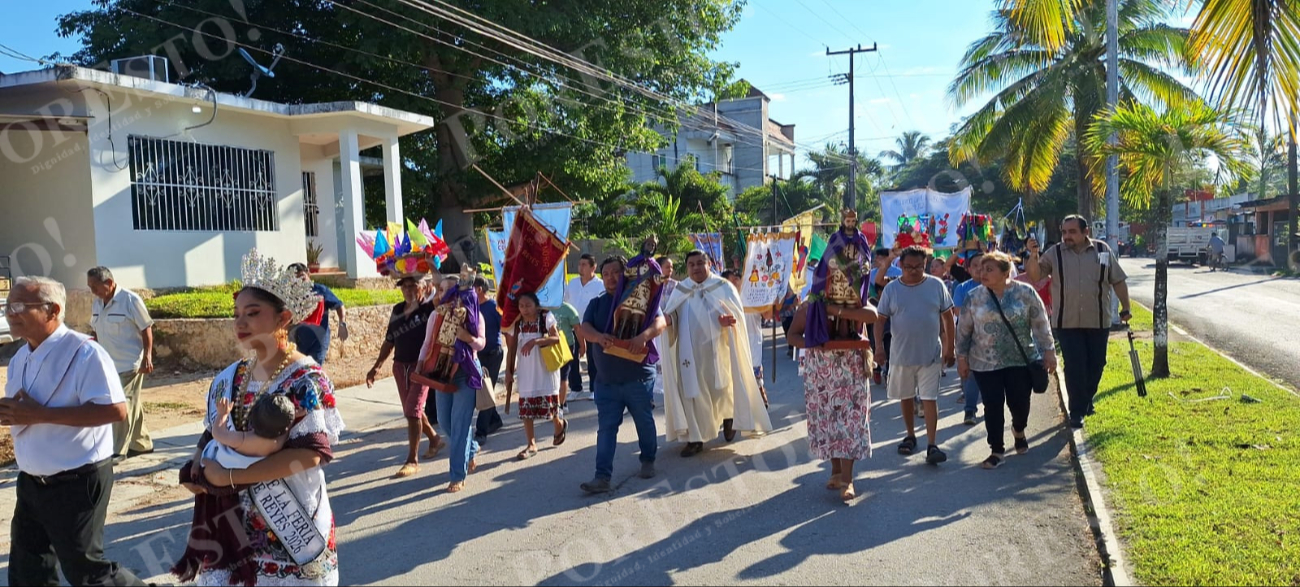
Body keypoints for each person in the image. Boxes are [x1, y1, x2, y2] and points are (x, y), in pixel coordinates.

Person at [171, 249, 344, 586]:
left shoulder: (305, 378)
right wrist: (197, 467)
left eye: (252, 313)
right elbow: (212, 433)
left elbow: (310, 453)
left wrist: (231, 477)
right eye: (236, 313)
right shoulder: (232, 376)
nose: (240, 322)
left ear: (283, 318)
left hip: (289, 524)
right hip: (234, 525)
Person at [1, 276, 146, 587]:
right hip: (31, 483)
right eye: (7, 306)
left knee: (86, 572)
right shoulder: (20, 358)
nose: (10, 313)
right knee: (28, 572)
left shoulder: (85, 354)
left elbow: (115, 410)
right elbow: (23, 411)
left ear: (52, 310)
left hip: (76, 482)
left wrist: (41, 415)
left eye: (18, 306)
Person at [662, 251, 773, 457]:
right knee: (693, 396)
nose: (695, 267)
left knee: (722, 391)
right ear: (687, 268)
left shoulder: (723, 287)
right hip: (689, 355)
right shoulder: (682, 289)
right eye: (691, 264)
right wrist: (668, 322)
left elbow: (736, 315)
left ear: (709, 264)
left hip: (719, 351)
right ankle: (696, 439)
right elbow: (673, 316)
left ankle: (729, 417)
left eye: (700, 263)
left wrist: (727, 322)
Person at [1026, 215, 1131, 428]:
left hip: (1098, 320)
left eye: (1072, 232)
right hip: (1067, 322)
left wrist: (1126, 307)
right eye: (1064, 232)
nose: (1067, 236)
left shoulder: (1102, 251)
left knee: (1097, 364)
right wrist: (1033, 254)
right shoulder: (1054, 253)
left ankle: (1085, 400)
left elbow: (1118, 280)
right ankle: (1077, 412)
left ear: (1086, 232)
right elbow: (1035, 275)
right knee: (1075, 367)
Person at [957, 253, 1057, 469]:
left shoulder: (1025, 293)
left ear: (1005, 272)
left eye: (989, 269)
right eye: (982, 269)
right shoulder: (974, 297)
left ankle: (1019, 430)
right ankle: (996, 450)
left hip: (1020, 360)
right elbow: (963, 330)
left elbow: (1041, 323)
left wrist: (1049, 351)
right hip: (984, 362)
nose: (983, 274)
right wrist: (961, 358)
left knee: (1019, 403)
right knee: (992, 404)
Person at [575, 255, 666, 493]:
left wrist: (642, 337)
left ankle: (648, 460)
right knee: (606, 428)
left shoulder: (639, 298)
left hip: (638, 377)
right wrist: (597, 337)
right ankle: (602, 477)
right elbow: (585, 327)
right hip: (606, 382)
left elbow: (661, 322)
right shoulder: (597, 303)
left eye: (615, 272)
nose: (610, 278)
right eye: (605, 274)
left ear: (625, 273)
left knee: (644, 421)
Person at [787, 296, 878, 501]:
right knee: (828, 422)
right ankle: (836, 471)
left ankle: (847, 480)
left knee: (851, 423)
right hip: (821, 373)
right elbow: (792, 335)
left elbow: (873, 315)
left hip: (852, 372)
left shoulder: (856, 301)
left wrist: (839, 311)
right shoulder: (811, 306)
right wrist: (814, 343)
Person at [874, 246, 956, 465]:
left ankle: (932, 444)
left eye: (918, 266)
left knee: (930, 397)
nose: (913, 271)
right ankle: (910, 435)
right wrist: (879, 347)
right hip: (901, 354)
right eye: (908, 267)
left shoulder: (936, 285)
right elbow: (880, 320)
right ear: (900, 265)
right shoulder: (892, 289)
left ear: (925, 264)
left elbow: (948, 317)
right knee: (906, 396)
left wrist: (951, 348)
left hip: (930, 353)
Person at [366, 274, 444, 478]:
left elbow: (441, 287)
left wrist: (432, 267)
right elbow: (389, 340)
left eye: (413, 285)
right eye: (405, 286)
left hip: (421, 368)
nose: (408, 290)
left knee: (412, 411)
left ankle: (412, 460)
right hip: (400, 368)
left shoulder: (430, 310)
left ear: (424, 288)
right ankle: (435, 439)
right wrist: (376, 366)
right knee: (413, 410)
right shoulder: (397, 310)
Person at [418, 276, 487, 493]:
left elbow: (481, 343)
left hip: (466, 373)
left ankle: (457, 474)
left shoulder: (474, 314)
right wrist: (420, 366)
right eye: (440, 290)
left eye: (447, 290)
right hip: (442, 373)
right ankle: (472, 448)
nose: (442, 294)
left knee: (459, 426)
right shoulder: (435, 315)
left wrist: (467, 337)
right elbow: (428, 343)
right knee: (446, 424)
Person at [87, 266, 156, 459]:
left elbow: (146, 328)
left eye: (95, 286)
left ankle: (118, 450)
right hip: (108, 365)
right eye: (90, 287)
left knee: (122, 404)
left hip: (130, 364)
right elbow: (95, 331)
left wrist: (147, 356)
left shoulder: (130, 300)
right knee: (133, 403)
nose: (93, 291)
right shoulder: (97, 303)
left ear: (108, 283)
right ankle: (142, 444)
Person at [504, 292, 568, 460]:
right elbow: (511, 349)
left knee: (550, 405)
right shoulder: (517, 323)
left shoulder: (546, 316)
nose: (525, 309)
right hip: (526, 370)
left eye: (528, 305)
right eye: (521, 306)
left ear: (536, 305)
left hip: (545, 368)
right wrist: (509, 372)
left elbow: (555, 338)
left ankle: (559, 425)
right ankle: (531, 444)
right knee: (526, 407)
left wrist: (535, 341)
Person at [724, 270, 771, 408]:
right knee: (737, 380)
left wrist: (771, 301)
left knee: (755, 379)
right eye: (731, 280)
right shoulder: (722, 299)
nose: (735, 282)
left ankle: (761, 401)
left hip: (753, 342)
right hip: (732, 344)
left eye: (737, 279)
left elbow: (767, 315)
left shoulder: (752, 297)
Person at [207, 394, 295, 465]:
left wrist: (222, 414)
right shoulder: (278, 443)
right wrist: (294, 417)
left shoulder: (243, 439)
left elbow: (218, 433)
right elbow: (286, 427)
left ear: (252, 418)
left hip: (227, 465)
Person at [950, 252, 986, 425]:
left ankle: (990, 407)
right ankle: (970, 411)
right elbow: (958, 311)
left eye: (983, 265)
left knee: (991, 375)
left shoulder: (998, 286)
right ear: (969, 269)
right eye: (975, 266)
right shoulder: (962, 288)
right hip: (968, 337)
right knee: (969, 374)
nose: (979, 269)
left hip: (993, 339)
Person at [564, 253, 606, 399]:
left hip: (591, 327)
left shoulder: (600, 285)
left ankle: (594, 388)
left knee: (593, 358)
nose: (580, 267)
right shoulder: (573, 283)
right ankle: (575, 387)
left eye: (584, 265)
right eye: (579, 264)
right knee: (571, 357)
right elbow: (566, 301)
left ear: (593, 267)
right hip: (573, 327)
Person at [470, 277, 507, 444]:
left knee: (485, 389)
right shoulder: (471, 307)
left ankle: (481, 432)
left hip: (493, 354)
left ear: (478, 289)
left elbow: (506, 327)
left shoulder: (493, 307)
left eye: (471, 288)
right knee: (483, 389)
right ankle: (495, 420)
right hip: (477, 355)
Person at [289, 262, 348, 365]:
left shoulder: (320, 290)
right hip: (296, 341)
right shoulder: (289, 295)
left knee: (314, 369)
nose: (300, 282)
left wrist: (342, 323)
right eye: (295, 279)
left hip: (318, 340)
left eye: (302, 277)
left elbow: (339, 306)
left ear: (308, 273)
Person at [652, 256, 678, 398]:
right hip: (656, 327)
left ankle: (671, 382)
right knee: (658, 355)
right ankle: (658, 384)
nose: (670, 269)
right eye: (667, 266)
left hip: (671, 326)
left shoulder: (677, 286)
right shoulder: (651, 285)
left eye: (672, 267)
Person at [550, 299, 582, 411]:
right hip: (549, 348)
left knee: (563, 376)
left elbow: (578, 328)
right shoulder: (543, 309)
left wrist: (583, 345)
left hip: (566, 346)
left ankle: (561, 406)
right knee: (553, 377)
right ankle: (558, 402)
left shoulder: (568, 309)